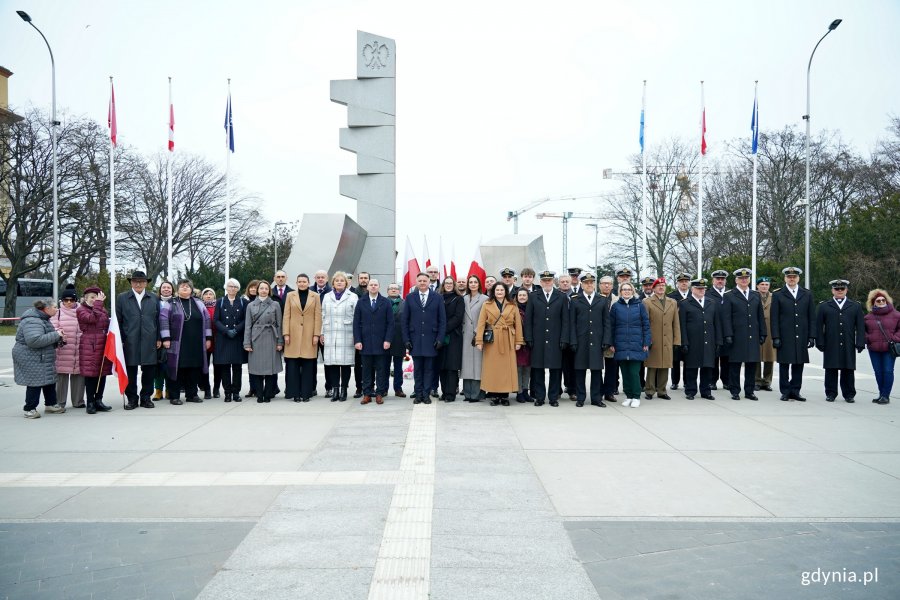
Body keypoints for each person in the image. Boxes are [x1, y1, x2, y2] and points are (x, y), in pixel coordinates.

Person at [160, 279, 212, 405]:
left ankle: (192, 394)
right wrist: (166, 338)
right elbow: (163, 319)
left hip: (196, 343)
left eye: (187, 286)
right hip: (178, 343)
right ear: (177, 289)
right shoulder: (171, 303)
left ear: (191, 289)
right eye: (182, 286)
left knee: (194, 369)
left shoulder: (199, 303)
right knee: (177, 369)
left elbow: (207, 320)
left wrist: (208, 338)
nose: (184, 288)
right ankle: (174, 396)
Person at [14, 299, 67, 418]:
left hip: (42, 355)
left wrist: (59, 339)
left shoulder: (43, 319)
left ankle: (51, 404)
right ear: (46, 309)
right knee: (35, 382)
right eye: (54, 307)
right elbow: (34, 341)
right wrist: (56, 335)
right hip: (31, 357)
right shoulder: (33, 321)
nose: (57, 309)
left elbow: (46, 338)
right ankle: (30, 409)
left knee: (49, 380)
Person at [116, 270, 161, 410]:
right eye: (135, 281)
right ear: (131, 283)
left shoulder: (154, 298)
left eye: (141, 281)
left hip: (150, 339)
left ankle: (146, 397)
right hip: (130, 340)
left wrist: (159, 337)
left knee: (149, 370)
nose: (138, 284)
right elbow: (118, 320)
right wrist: (121, 339)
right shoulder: (122, 298)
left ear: (146, 283)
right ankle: (132, 399)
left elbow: (159, 319)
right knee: (131, 371)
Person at [770, 267, 816, 402]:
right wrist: (776, 336)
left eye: (794, 277)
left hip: (801, 335)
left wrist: (812, 336)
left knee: (798, 364)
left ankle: (795, 390)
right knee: (784, 364)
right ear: (785, 278)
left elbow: (811, 317)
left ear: (798, 278)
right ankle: (785, 391)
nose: (791, 279)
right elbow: (774, 318)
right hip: (785, 335)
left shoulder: (806, 294)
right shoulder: (778, 294)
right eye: (789, 277)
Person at [524, 270, 570, 407]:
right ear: (540, 282)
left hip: (556, 339)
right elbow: (528, 319)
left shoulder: (561, 296)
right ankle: (539, 397)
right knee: (538, 369)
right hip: (538, 339)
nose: (547, 282)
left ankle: (553, 397)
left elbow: (565, 320)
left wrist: (564, 339)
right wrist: (529, 337)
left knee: (555, 370)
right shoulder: (533, 296)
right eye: (544, 280)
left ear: (553, 281)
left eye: (549, 280)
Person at [816, 279, 866, 403]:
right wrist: (820, 342)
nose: (839, 291)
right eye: (837, 289)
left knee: (848, 369)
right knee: (831, 368)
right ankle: (831, 393)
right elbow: (818, 326)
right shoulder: (824, 306)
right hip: (831, 342)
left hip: (848, 342)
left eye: (842, 289)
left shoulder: (855, 306)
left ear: (846, 290)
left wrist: (860, 342)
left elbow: (860, 326)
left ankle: (849, 394)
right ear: (832, 290)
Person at [401, 272, 447, 404]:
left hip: (431, 340)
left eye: (424, 281)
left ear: (429, 282)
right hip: (415, 340)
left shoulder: (437, 297)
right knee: (418, 369)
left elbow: (442, 320)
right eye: (420, 280)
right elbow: (405, 320)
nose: (422, 283)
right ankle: (418, 394)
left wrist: (440, 338)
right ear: (416, 282)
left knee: (429, 369)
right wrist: (406, 339)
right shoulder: (410, 297)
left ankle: (426, 394)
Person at [475, 282, 523, 406]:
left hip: (508, 339)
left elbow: (518, 324)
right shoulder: (487, 304)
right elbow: (481, 324)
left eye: (502, 290)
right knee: (493, 369)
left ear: (505, 292)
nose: (499, 292)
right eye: (497, 290)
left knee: (507, 369)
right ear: (493, 292)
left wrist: (518, 341)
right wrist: (479, 341)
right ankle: (494, 396)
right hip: (492, 341)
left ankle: (505, 396)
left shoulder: (513, 305)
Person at [721, 268, 766, 401]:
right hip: (737, 335)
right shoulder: (729, 295)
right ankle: (735, 390)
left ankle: (749, 391)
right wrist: (728, 334)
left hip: (753, 335)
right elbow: (726, 317)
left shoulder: (755, 295)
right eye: (741, 278)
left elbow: (760, 316)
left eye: (746, 278)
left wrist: (763, 332)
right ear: (736, 280)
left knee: (752, 365)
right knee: (735, 365)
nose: (744, 280)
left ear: (749, 280)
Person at [569, 272, 612, 407]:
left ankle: (596, 398)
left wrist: (606, 340)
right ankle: (580, 398)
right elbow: (572, 323)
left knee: (596, 370)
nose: (589, 284)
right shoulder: (575, 300)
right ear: (581, 284)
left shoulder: (602, 300)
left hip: (597, 341)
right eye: (586, 282)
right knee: (580, 370)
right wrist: (573, 341)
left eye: (591, 282)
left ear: (594, 284)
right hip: (581, 341)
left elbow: (607, 323)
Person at [678, 278, 723, 400]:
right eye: (699, 288)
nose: (702, 290)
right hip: (693, 341)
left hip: (709, 340)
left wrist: (719, 341)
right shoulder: (685, 303)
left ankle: (706, 391)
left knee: (707, 367)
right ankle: (691, 391)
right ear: (692, 289)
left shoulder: (711, 302)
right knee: (691, 367)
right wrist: (684, 342)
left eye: (703, 288)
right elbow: (682, 325)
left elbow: (717, 323)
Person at [351, 278, 392, 404]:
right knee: (366, 369)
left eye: (375, 285)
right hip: (365, 342)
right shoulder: (361, 302)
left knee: (381, 369)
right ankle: (367, 394)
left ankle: (379, 393)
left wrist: (387, 340)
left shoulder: (385, 302)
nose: (373, 287)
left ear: (379, 287)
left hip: (381, 342)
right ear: (368, 287)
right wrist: (357, 340)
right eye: (371, 285)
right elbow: (356, 323)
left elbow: (390, 323)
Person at [282, 273, 322, 402]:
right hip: (292, 335)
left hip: (309, 335)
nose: (302, 283)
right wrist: (286, 334)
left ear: (308, 282)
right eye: (300, 281)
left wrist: (316, 334)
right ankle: (294, 393)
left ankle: (306, 393)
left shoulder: (315, 296)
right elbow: (286, 316)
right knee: (292, 366)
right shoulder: (290, 295)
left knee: (308, 366)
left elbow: (318, 316)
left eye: (304, 281)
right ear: (296, 283)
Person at [609, 282, 651, 407]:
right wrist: (611, 343)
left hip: (636, 344)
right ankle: (628, 396)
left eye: (629, 289)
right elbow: (611, 326)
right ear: (620, 291)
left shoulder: (639, 305)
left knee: (634, 372)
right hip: (620, 345)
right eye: (624, 289)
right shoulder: (616, 306)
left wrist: (646, 342)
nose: (626, 291)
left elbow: (646, 325)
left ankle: (636, 396)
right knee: (625, 372)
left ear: (632, 291)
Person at [244, 280, 284, 402]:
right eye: (261, 288)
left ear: (269, 290)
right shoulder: (250, 305)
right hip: (256, 339)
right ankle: (259, 394)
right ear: (257, 290)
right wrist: (247, 343)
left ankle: (268, 394)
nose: (264, 290)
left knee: (271, 369)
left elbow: (279, 324)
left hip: (271, 337)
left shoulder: (275, 304)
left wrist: (280, 342)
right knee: (256, 369)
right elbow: (248, 326)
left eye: (266, 289)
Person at [321, 271, 358, 402]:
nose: (339, 282)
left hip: (346, 333)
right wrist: (322, 333)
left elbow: (357, 317)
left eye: (342, 281)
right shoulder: (327, 296)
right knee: (333, 364)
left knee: (345, 364)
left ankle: (344, 389)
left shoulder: (353, 297)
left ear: (346, 283)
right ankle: (335, 389)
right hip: (330, 332)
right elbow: (322, 315)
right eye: (337, 281)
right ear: (333, 283)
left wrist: (356, 335)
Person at [643, 277, 681, 400]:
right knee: (652, 365)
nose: (661, 288)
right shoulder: (647, 302)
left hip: (667, 339)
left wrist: (676, 340)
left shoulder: (672, 302)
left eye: (663, 286)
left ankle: (662, 391)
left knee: (665, 365)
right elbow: (645, 323)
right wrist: (646, 340)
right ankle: (649, 390)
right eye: (658, 286)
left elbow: (676, 323)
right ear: (653, 288)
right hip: (654, 338)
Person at [77, 286, 113, 414]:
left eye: (96, 297)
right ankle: (90, 402)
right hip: (90, 344)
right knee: (91, 375)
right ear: (86, 298)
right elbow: (91, 319)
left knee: (101, 373)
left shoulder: (102, 309)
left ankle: (99, 400)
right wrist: (98, 304)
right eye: (92, 297)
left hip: (102, 343)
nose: (94, 300)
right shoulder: (81, 310)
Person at [213, 278, 248, 402]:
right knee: (225, 367)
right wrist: (226, 331)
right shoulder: (220, 301)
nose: (232, 288)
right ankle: (227, 393)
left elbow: (246, 319)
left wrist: (236, 330)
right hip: (224, 338)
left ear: (238, 289)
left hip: (237, 338)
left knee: (237, 368)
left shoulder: (243, 302)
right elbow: (216, 319)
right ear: (226, 288)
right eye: (230, 286)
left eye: (235, 287)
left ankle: (236, 393)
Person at [864, 289, 899, 405]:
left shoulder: (896, 315)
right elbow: (862, 331)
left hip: (889, 349)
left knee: (888, 371)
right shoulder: (868, 317)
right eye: (878, 300)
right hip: (874, 349)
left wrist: (894, 338)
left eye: (883, 300)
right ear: (873, 302)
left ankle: (885, 395)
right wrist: (868, 338)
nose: (881, 302)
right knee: (878, 372)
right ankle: (881, 394)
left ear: (887, 300)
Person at [54, 284, 85, 409]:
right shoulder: (58, 313)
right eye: (65, 300)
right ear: (62, 300)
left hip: (79, 350)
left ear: (75, 300)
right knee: (61, 377)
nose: (68, 302)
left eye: (71, 300)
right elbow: (53, 327)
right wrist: (59, 333)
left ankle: (78, 401)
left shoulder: (82, 311)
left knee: (78, 376)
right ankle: (59, 402)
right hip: (63, 350)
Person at [436, 277, 464, 402]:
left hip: (453, 336)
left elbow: (458, 317)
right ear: (443, 285)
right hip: (440, 336)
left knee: (451, 366)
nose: (448, 285)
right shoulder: (438, 298)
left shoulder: (459, 299)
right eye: (446, 283)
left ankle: (451, 393)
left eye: (450, 283)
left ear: (454, 285)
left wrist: (444, 329)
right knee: (441, 366)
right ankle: (444, 392)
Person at [461, 275, 488, 402]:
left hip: (478, 335)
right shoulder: (464, 298)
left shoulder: (485, 299)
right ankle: (467, 393)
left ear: (479, 284)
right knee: (466, 365)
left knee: (478, 365)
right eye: (470, 282)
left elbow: (487, 318)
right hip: (465, 335)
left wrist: (478, 332)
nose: (472, 284)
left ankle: (477, 394)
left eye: (475, 282)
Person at [668, 272, 692, 391]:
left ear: (689, 283)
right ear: (677, 283)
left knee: (689, 359)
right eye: (681, 281)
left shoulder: (694, 295)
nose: (684, 283)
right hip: (675, 331)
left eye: (686, 281)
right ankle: (675, 382)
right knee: (675, 359)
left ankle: (687, 382)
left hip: (690, 332)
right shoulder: (671, 296)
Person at [708, 269, 731, 391]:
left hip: (728, 331)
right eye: (718, 279)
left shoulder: (731, 293)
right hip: (713, 330)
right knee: (714, 358)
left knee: (727, 358)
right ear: (713, 280)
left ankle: (726, 381)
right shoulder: (707, 294)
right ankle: (712, 381)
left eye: (722, 279)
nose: (720, 281)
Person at [598, 275, 619, 402]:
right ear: (599, 285)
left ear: (612, 285)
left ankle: (609, 392)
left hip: (613, 339)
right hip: (597, 338)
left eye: (609, 284)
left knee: (611, 367)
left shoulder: (617, 300)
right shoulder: (595, 298)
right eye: (604, 283)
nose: (606, 286)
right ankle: (599, 390)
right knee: (598, 367)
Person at [312, 270, 333, 397]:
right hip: (312, 332)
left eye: (323, 277)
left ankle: (329, 387)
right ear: (315, 278)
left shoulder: (331, 292)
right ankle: (311, 387)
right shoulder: (309, 292)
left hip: (326, 332)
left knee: (328, 362)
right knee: (311, 362)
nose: (320, 279)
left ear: (327, 279)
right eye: (318, 277)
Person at [385, 283, 408, 397]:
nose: (393, 290)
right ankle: (383, 388)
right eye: (391, 288)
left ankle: (398, 389)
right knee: (384, 366)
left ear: (399, 291)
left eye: (396, 289)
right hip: (385, 339)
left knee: (398, 367)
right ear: (387, 291)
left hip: (399, 338)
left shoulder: (405, 303)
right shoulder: (383, 302)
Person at [153, 281, 174, 400]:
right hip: (157, 339)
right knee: (158, 367)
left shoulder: (176, 302)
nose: (166, 289)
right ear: (160, 289)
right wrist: (158, 338)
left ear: (172, 290)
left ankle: (169, 390)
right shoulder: (155, 302)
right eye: (164, 287)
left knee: (169, 367)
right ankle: (158, 390)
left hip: (172, 339)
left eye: (169, 287)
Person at [200, 287, 221, 399]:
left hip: (217, 340)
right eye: (206, 294)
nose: (208, 296)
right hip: (204, 340)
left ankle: (216, 389)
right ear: (202, 296)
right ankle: (206, 389)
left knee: (218, 366)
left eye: (210, 294)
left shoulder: (218, 306)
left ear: (214, 296)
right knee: (205, 366)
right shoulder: (199, 307)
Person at [755, 277, 776, 392]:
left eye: (766, 284)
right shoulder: (753, 296)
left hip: (770, 330)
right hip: (757, 329)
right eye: (762, 284)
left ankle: (767, 382)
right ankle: (757, 381)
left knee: (770, 357)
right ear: (757, 286)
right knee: (756, 356)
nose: (764, 286)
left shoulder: (774, 297)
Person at [514, 288, 532, 403]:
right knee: (518, 368)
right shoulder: (513, 309)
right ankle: (519, 392)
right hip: (518, 342)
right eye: (520, 295)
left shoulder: (532, 308)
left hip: (529, 342)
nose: (522, 297)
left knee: (527, 368)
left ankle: (526, 390)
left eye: (524, 295)